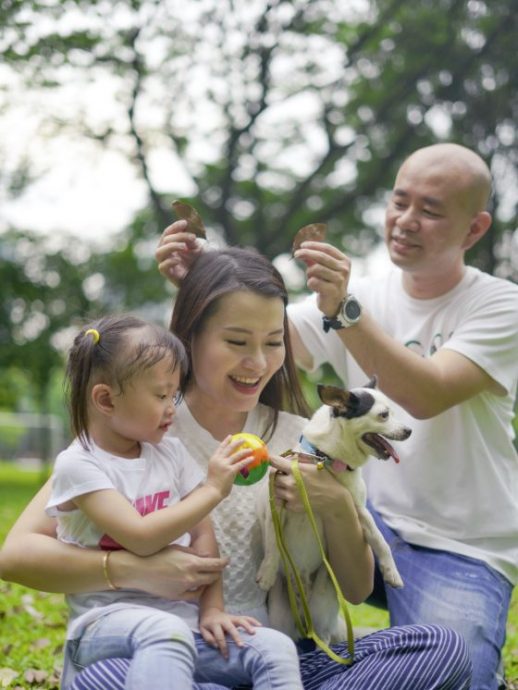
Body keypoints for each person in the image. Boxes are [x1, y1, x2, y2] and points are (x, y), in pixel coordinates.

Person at [0, 248, 472, 689]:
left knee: (442, 649)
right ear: (189, 336)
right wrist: (132, 569)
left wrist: (334, 506)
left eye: (273, 342)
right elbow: (17, 555)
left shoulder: (309, 437)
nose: (258, 362)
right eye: (236, 341)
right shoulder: (143, 431)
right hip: (171, 651)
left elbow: (355, 589)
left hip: (271, 656)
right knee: (107, 677)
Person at [285, 143, 518, 690]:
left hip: (459, 545)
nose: (406, 222)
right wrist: (197, 285)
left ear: (474, 229)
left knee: (453, 670)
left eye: (431, 210)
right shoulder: (361, 292)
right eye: (399, 202)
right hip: (361, 513)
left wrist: (342, 312)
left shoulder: (501, 305)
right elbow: (261, 352)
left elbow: (425, 393)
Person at [46, 313, 303, 690]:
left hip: (181, 626)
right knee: (163, 631)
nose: (172, 407)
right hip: (105, 624)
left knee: (275, 648)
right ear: (105, 399)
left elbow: (202, 536)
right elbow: (141, 537)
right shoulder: (79, 465)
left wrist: (213, 609)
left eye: (174, 394)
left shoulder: (170, 453)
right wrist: (213, 490)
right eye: (161, 395)